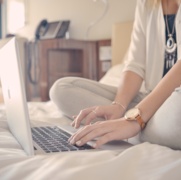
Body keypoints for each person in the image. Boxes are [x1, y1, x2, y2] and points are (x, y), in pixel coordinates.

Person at [50, 0, 181, 149]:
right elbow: (135, 64)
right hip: (149, 98)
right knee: (62, 89)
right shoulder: (146, 3)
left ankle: (130, 128)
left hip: (175, 102)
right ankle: (133, 128)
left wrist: (135, 120)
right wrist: (119, 105)